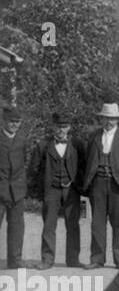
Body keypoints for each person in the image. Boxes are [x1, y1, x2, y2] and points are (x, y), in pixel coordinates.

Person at [81, 102, 119, 268]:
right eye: (106, 118)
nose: (109, 122)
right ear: (101, 119)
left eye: (112, 119)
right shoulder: (93, 136)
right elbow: (88, 158)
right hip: (97, 183)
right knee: (97, 223)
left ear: (118, 120)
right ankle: (97, 259)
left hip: (117, 184)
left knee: (118, 223)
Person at [30, 111, 82, 269]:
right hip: (51, 190)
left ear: (69, 127)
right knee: (49, 225)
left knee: (73, 225)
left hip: (71, 190)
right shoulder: (43, 145)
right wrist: (44, 188)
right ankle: (47, 259)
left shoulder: (77, 144)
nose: (61, 129)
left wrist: (77, 184)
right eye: (58, 126)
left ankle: (73, 260)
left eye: (64, 126)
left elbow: (84, 166)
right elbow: (34, 169)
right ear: (53, 127)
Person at [1, 106, 29, 269]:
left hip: (17, 190)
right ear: (4, 121)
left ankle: (14, 260)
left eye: (17, 122)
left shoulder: (22, 139)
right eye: (11, 121)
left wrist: (20, 184)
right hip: (1, 188)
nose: (14, 125)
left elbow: (22, 161)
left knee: (17, 227)